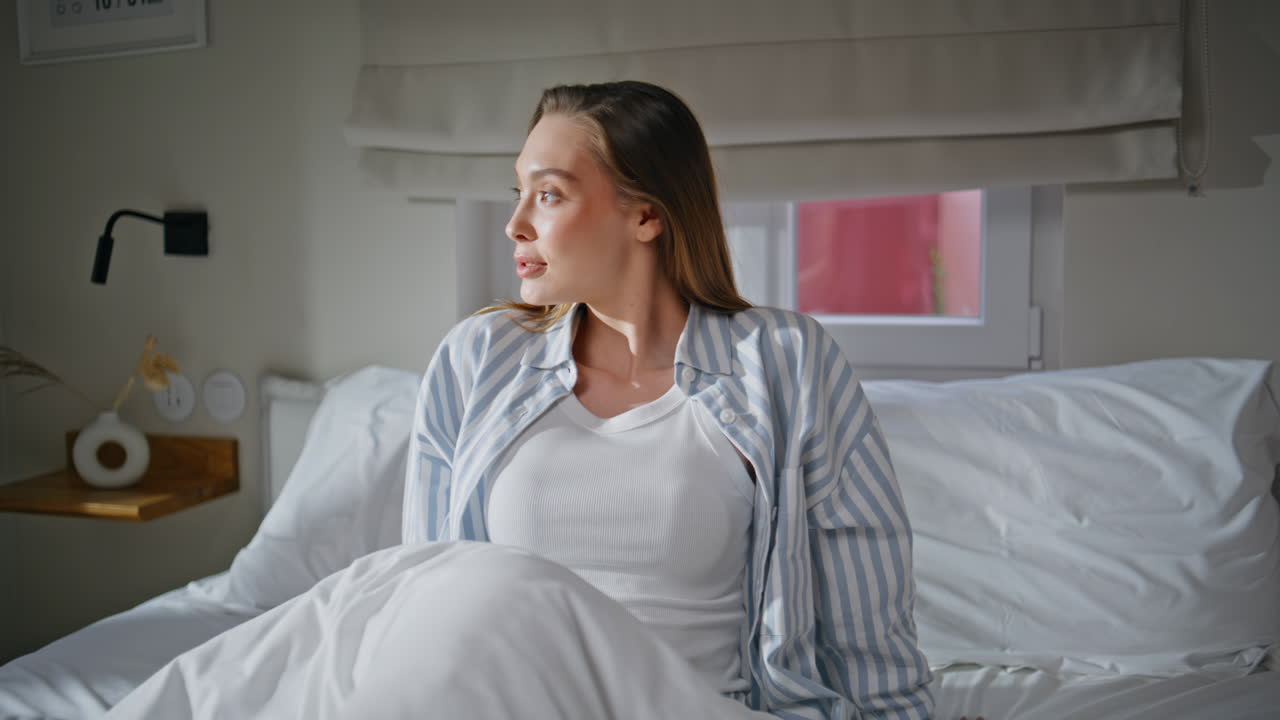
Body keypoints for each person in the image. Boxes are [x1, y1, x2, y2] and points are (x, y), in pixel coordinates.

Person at [401, 80, 936, 719]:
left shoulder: (785, 361)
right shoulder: (478, 358)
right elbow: (425, 596)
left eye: (548, 194)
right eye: (518, 193)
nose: (515, 223)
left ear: (647, 216)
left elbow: (864, 612)